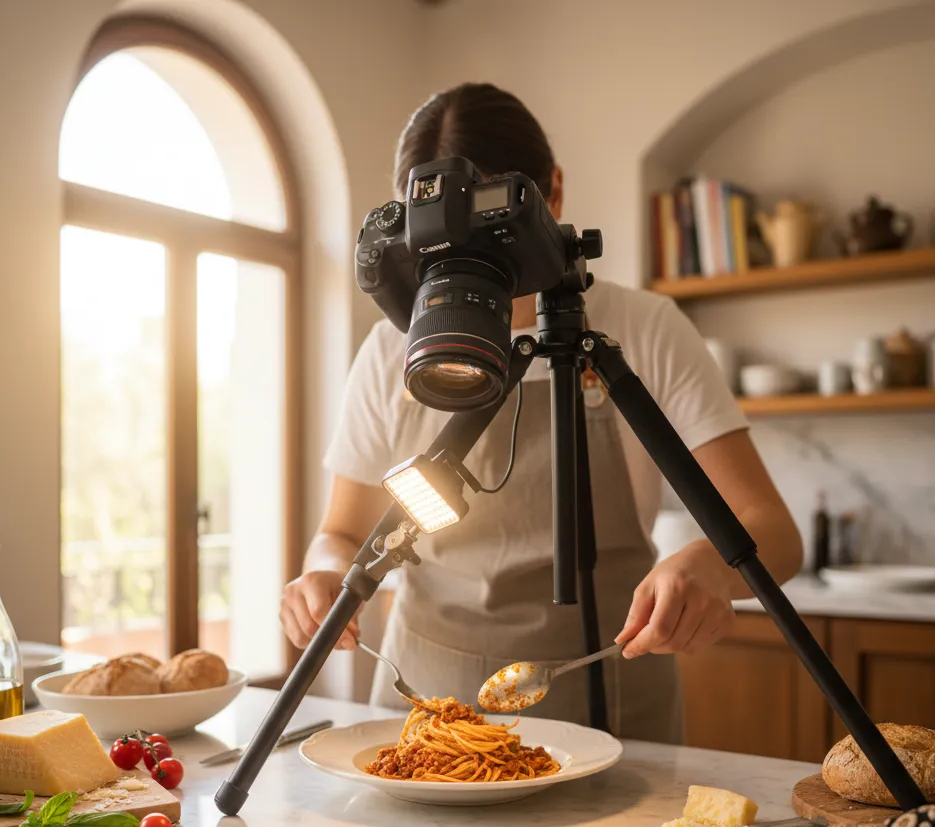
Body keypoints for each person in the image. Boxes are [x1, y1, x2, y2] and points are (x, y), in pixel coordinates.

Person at [280, 83, 802, 741]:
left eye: (488, 223)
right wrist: (323, 574)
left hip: (608, 699)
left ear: (551, 192)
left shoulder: (643, 329)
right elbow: (342, 532)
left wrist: (708, 565)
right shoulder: (391, 347)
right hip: (424, 704)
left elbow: (774, 534)